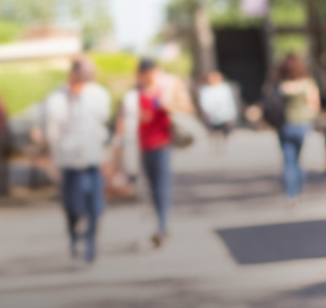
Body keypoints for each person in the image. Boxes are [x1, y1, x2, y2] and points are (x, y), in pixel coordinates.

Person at [37, 59, 112, 263]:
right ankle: (74, 236)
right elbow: (52, 129)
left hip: (92, 157)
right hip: (68, 159)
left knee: (95, 204)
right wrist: (51, 154)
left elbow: (102, 123)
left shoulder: (97, 95)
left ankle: (90, 242)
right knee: (72, 205)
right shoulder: (57, 98)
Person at [119, 58, 192, 248]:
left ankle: (161, 226)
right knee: (148, 187)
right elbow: (124, 120)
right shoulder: (134, 94)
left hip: (162, 144)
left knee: (161, 186)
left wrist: (169, 107)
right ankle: (159, 223)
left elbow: (186, 108)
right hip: (141, 147)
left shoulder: (165, 91)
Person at [275, 54, 320, 206]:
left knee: (289, 161)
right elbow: (314, 105)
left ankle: (291, 194)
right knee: (297, 159)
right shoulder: (307, 84)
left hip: (284, 125)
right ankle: (299, 189)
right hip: (301, 125)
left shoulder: (280, 84)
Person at [197, 71, 240, 154]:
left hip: (224, 114)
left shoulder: (224, 88)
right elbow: (204, 103)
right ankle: (216, 146)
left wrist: (232, 114)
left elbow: (229, 102)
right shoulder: (205, 90)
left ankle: (223, 146)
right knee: (214, 132)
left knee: (224, 131)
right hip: (211, 115)